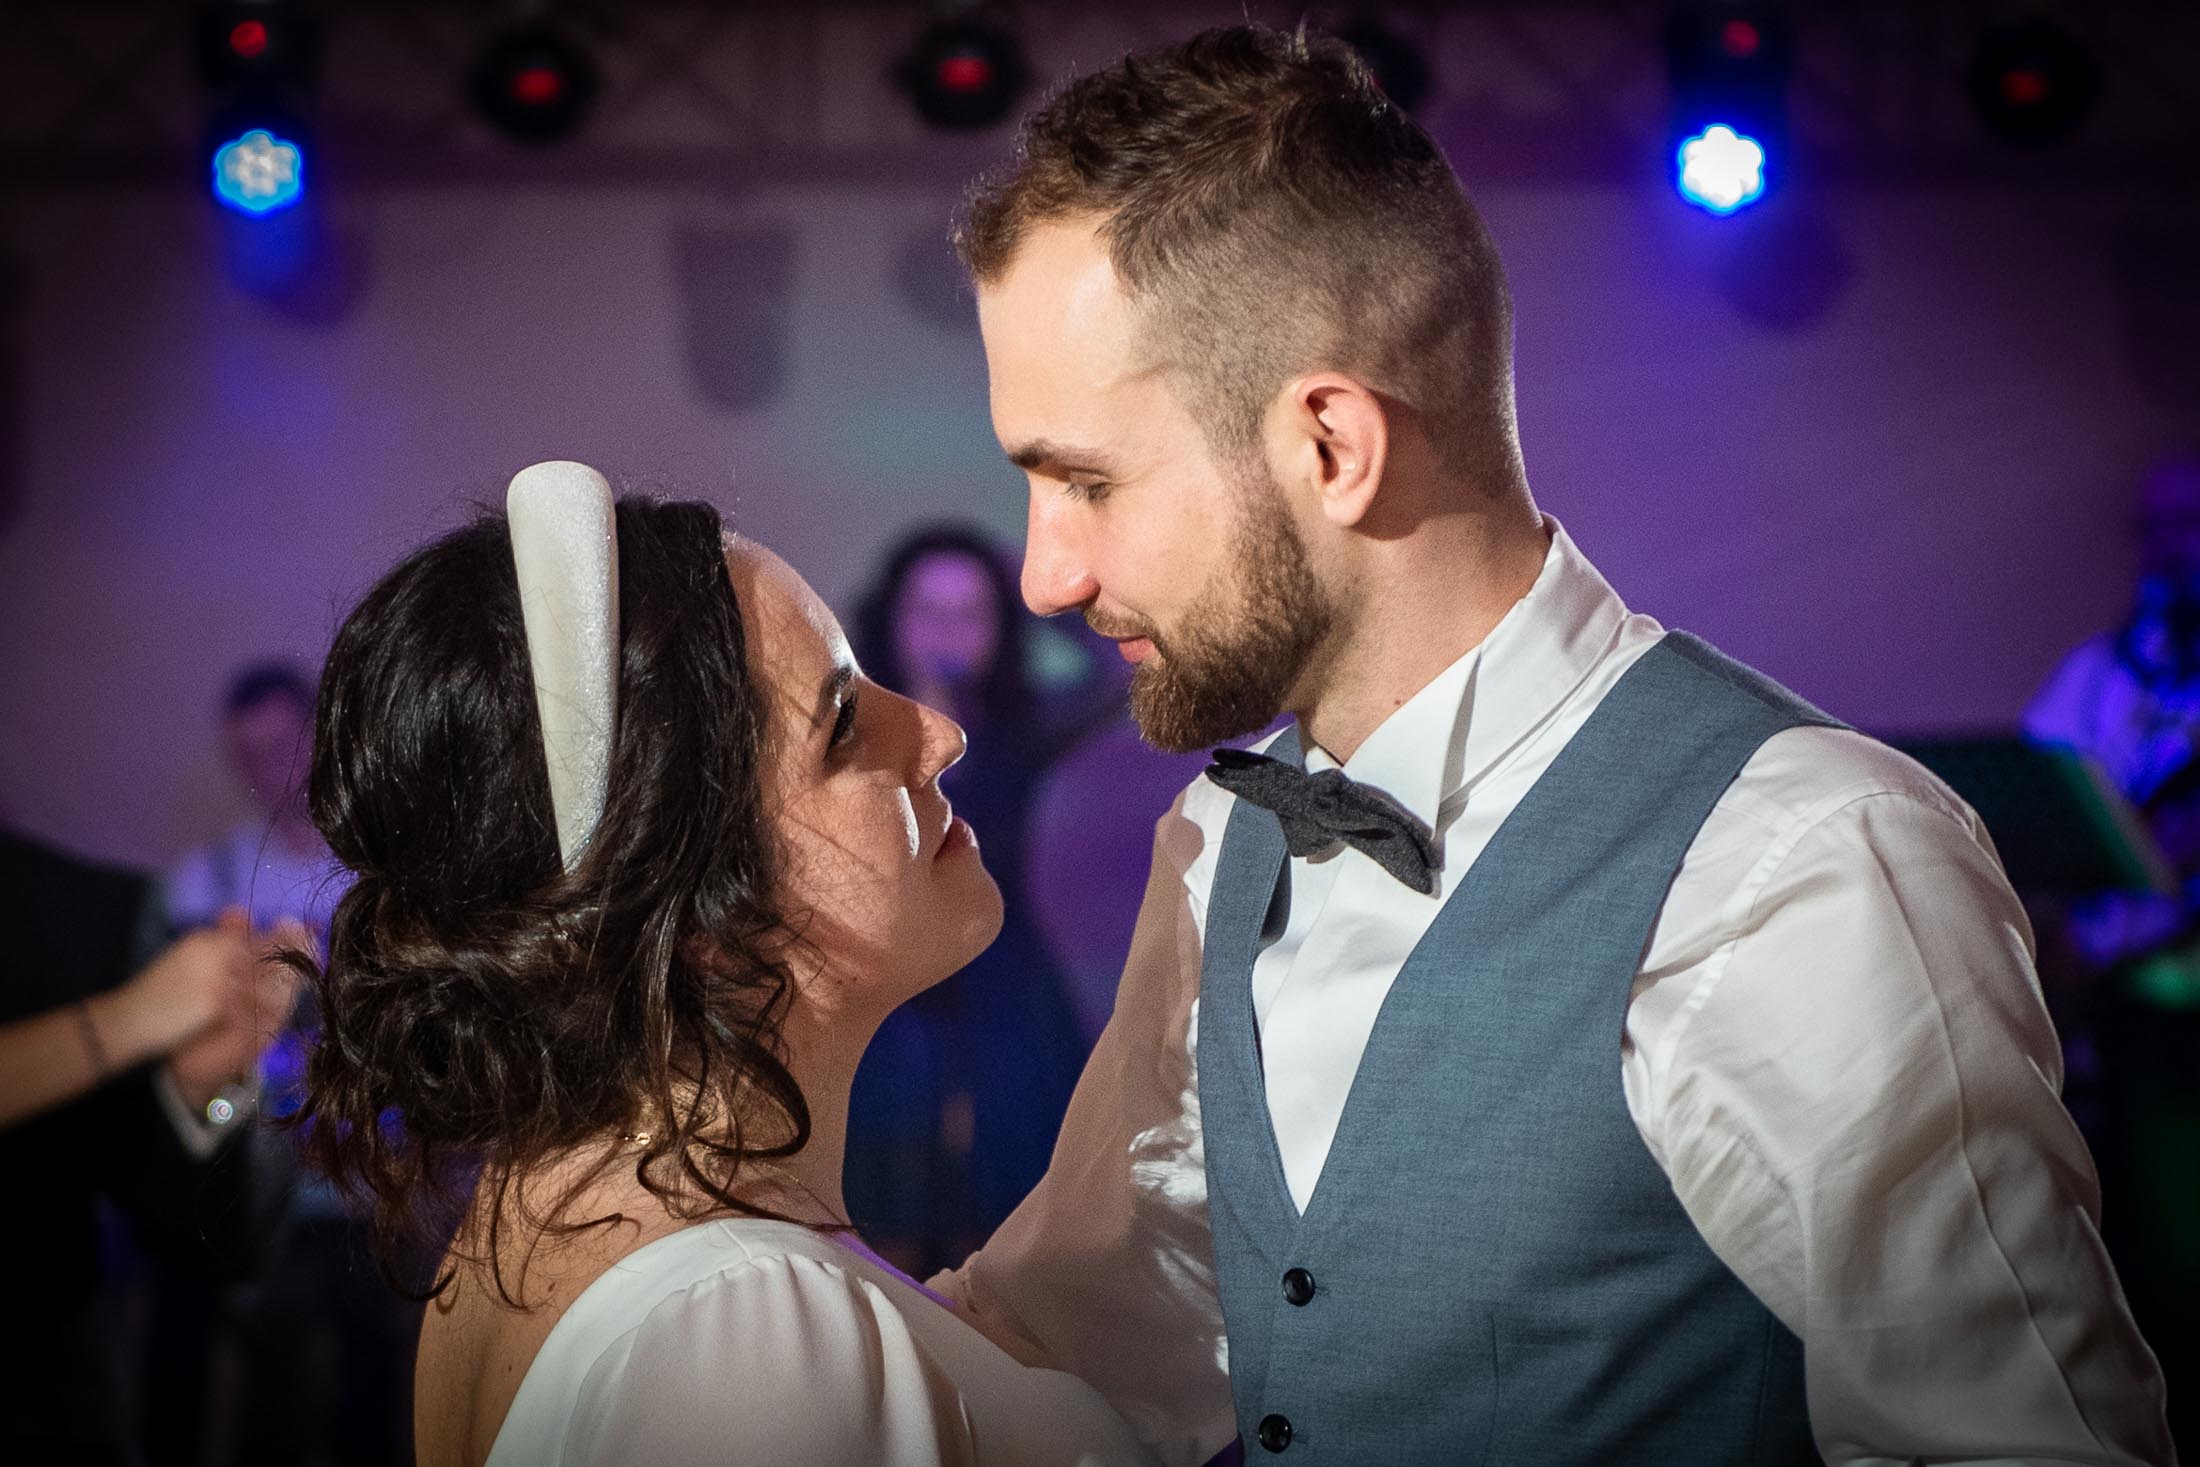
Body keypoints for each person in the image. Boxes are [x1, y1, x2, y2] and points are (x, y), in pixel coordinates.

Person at [931, 25, 2175, 1465]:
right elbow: (1078, 1335)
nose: (1046, 576)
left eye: (1085, 482)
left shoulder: (1802, 860)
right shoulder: (1220, 845)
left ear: (1330, 447)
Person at [288, 465, 1155, 1466]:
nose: (939, 735)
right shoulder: (742, 1332)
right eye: (841, 724)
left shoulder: (531, 1208)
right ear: (694, 899)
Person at [844, 526, 1117, 1269]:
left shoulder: (1022, 729)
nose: (949, 630)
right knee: (887, 1204)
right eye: (928, 611)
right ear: (893, 618)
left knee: (1010, 1196)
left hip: (1005, 981)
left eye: (970, 612)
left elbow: (1117, 674)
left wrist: (1026, 598)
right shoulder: (853, 732)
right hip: (892, 986)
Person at [0, 827, 299, 1466]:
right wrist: (125, 1022)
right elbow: (144, 1016)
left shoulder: (77, 904)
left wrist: (204, 1092)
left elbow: (214, 1246)